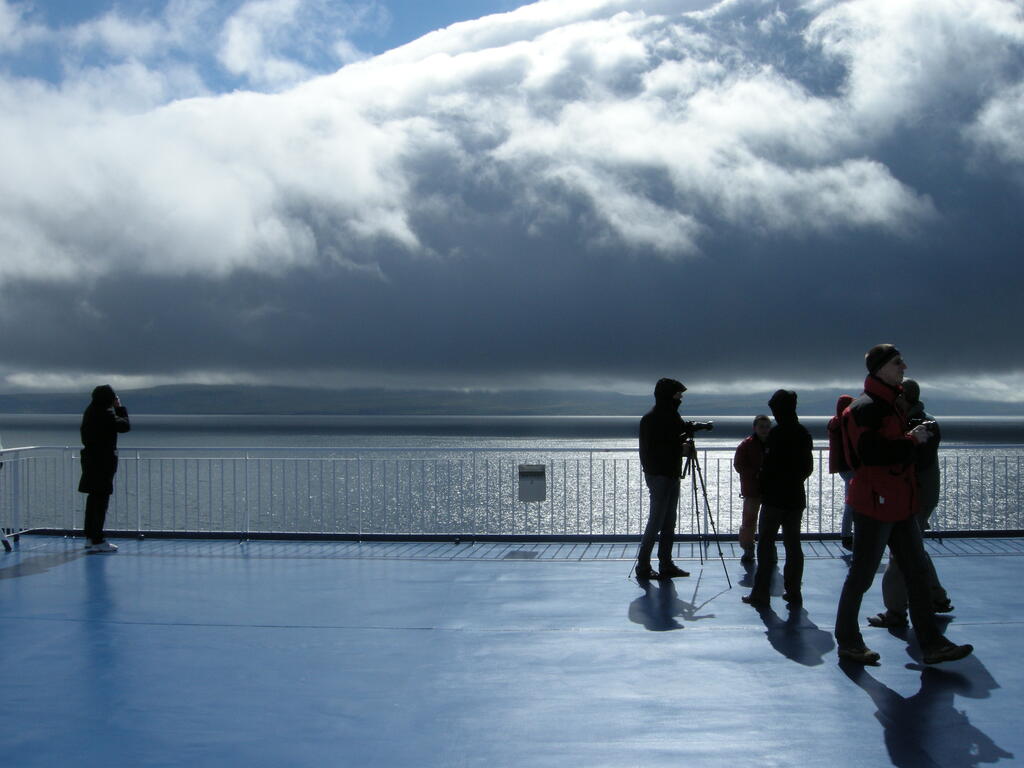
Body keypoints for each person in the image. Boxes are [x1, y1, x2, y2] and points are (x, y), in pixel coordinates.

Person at [834, 344, 972, 665]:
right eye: (898, 363)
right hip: (875, 504)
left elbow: (887, 449)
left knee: (916, 571)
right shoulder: (867, 408)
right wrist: (914, 439)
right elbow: (873, 455)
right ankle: (849, 641)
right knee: (862, 575)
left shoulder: (887, 404)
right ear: (881, 368)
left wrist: (913, 438)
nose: (904, 367)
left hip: (898, 502)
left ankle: (933, 644)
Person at [866, 378, 953, 628]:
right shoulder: (924, 421)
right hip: (922, 494)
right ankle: (937, 597)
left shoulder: (918, 425)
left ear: (903, 398)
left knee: (899, 553)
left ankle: (895, 610)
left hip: (915, 496)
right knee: (914, 550)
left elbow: (913, 459)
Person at [742, 390, 813, 606]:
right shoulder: (803, 433)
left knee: (765, 545)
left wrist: (764, 483)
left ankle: (760, 593)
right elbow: (807, 468)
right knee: (793, 546)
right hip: (795, 498)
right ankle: (793, 592)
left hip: (774, 499)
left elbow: (769, 468)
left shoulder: (776, 435)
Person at [635, 377, 693, 580]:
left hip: (670, 474)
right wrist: (681, 447)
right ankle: (643, 567)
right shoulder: (653, 418)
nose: (681, 397)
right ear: (669, 395)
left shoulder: (670, 417)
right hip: (660, 476)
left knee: (669, 522)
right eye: (678, 394)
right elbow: (657, 449)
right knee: (656, 522)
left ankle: (666, 564)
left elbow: (669, 443)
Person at [79, 385, 130, 553]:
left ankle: (90, 537)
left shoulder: (90, 411)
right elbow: (124, 427)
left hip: (90, 461)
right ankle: (98, 539)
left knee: (93, 500)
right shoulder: (105, 413)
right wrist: (120, 408)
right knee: (100, 502)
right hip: (102, 463)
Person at [733, 414, 771, 563]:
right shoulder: (746, 445)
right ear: (755, 428)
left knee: (769, 522)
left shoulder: (774, 443)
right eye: (761, 427)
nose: (764, 430)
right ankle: (748, 549)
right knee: (749, 521)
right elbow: (739, 465)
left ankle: (768, 549)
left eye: (767, 427)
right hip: (752, 489)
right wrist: (756, 473)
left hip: (770, 489)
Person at [827, 394, 856, 550]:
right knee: (853, 503)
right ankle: (848, 536)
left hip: (842, 467)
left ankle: (847, 534)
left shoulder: (834, 423)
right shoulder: (846, 423)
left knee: (850, 501)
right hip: (851, 466)